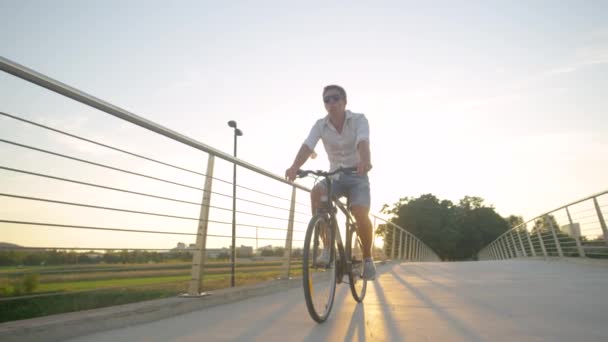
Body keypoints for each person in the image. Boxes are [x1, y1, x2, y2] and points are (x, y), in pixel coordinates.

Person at [285, 85, 376, 280]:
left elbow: (363, 141)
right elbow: (308, 145)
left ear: (344, 101)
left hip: (357, 175)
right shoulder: (320, 125)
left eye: (335, 98)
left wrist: (364, 160)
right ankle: (327, 248)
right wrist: (294, 167)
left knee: (360, 212)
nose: (331, 103)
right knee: (316, 193)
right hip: (335, 176)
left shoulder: (359, 120)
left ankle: (368, 259)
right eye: (327, 100)